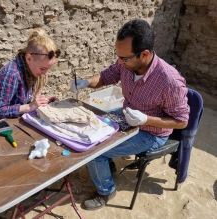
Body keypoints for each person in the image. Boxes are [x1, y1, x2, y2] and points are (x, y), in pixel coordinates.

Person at [69, 19, 190, 210]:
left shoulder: (169, 81)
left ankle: (106, 190)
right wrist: (85, 82)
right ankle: (107, 164)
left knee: (93, 151)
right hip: (127, 114)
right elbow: (106, 76)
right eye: (118, 56)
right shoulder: (126, 64)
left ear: (144, 54)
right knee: (90, 130)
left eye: (124, 58)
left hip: (151, 132)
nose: (119, 62)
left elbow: (182, 121)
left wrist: (145, 119)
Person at [0, 28, 60, 122]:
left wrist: (43, 103)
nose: (45, 73)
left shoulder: (29, 71)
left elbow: (23, 103)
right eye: (43, 69)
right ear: (29, 59)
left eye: (48, 69)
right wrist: (29, 107)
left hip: (20, 121)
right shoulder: (9, 75)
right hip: (4, 127)